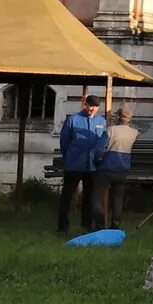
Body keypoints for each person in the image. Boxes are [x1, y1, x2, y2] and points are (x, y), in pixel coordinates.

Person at [57, 94, 108, 236]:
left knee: (89, 196)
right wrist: (69, 157)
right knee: (67, 196)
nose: (92, 109)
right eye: (90, 105)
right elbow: (64, 142)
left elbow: (102, 141)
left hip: (91, 166)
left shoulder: (101, 121)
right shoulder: (73, 120)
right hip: (74, 165)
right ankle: (62, 226)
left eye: (96, 106)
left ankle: (87, 224)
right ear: (85, 105)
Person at [99, 104, 139, 228]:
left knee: (97, 196)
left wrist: (97, 160)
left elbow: (100, 149)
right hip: (123, 169)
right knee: (118, 199)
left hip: (106, 168)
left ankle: (99, 224)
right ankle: (115, 225)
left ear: (117, 117)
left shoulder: (110, 130)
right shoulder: (134, 132)